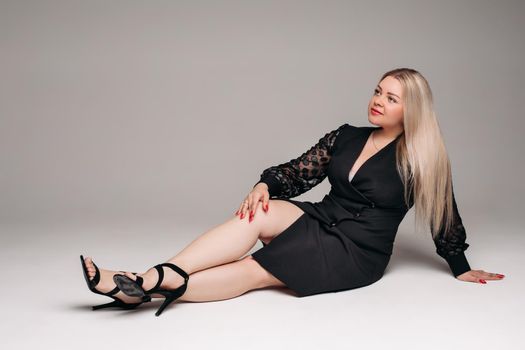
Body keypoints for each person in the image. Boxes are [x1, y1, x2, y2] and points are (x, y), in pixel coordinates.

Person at [80, 67, 505, 317]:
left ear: (410, 109)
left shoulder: (423, 157)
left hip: (355, 251)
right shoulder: (347, 135)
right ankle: (155, 274)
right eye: (378, 90)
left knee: (256, 271)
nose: (377, 100)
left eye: (391, 98)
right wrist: (265, 184)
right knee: (259, 212)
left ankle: (141, 286)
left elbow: (445, 215)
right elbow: (297, 173)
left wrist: (460, 265)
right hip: (320, 219)